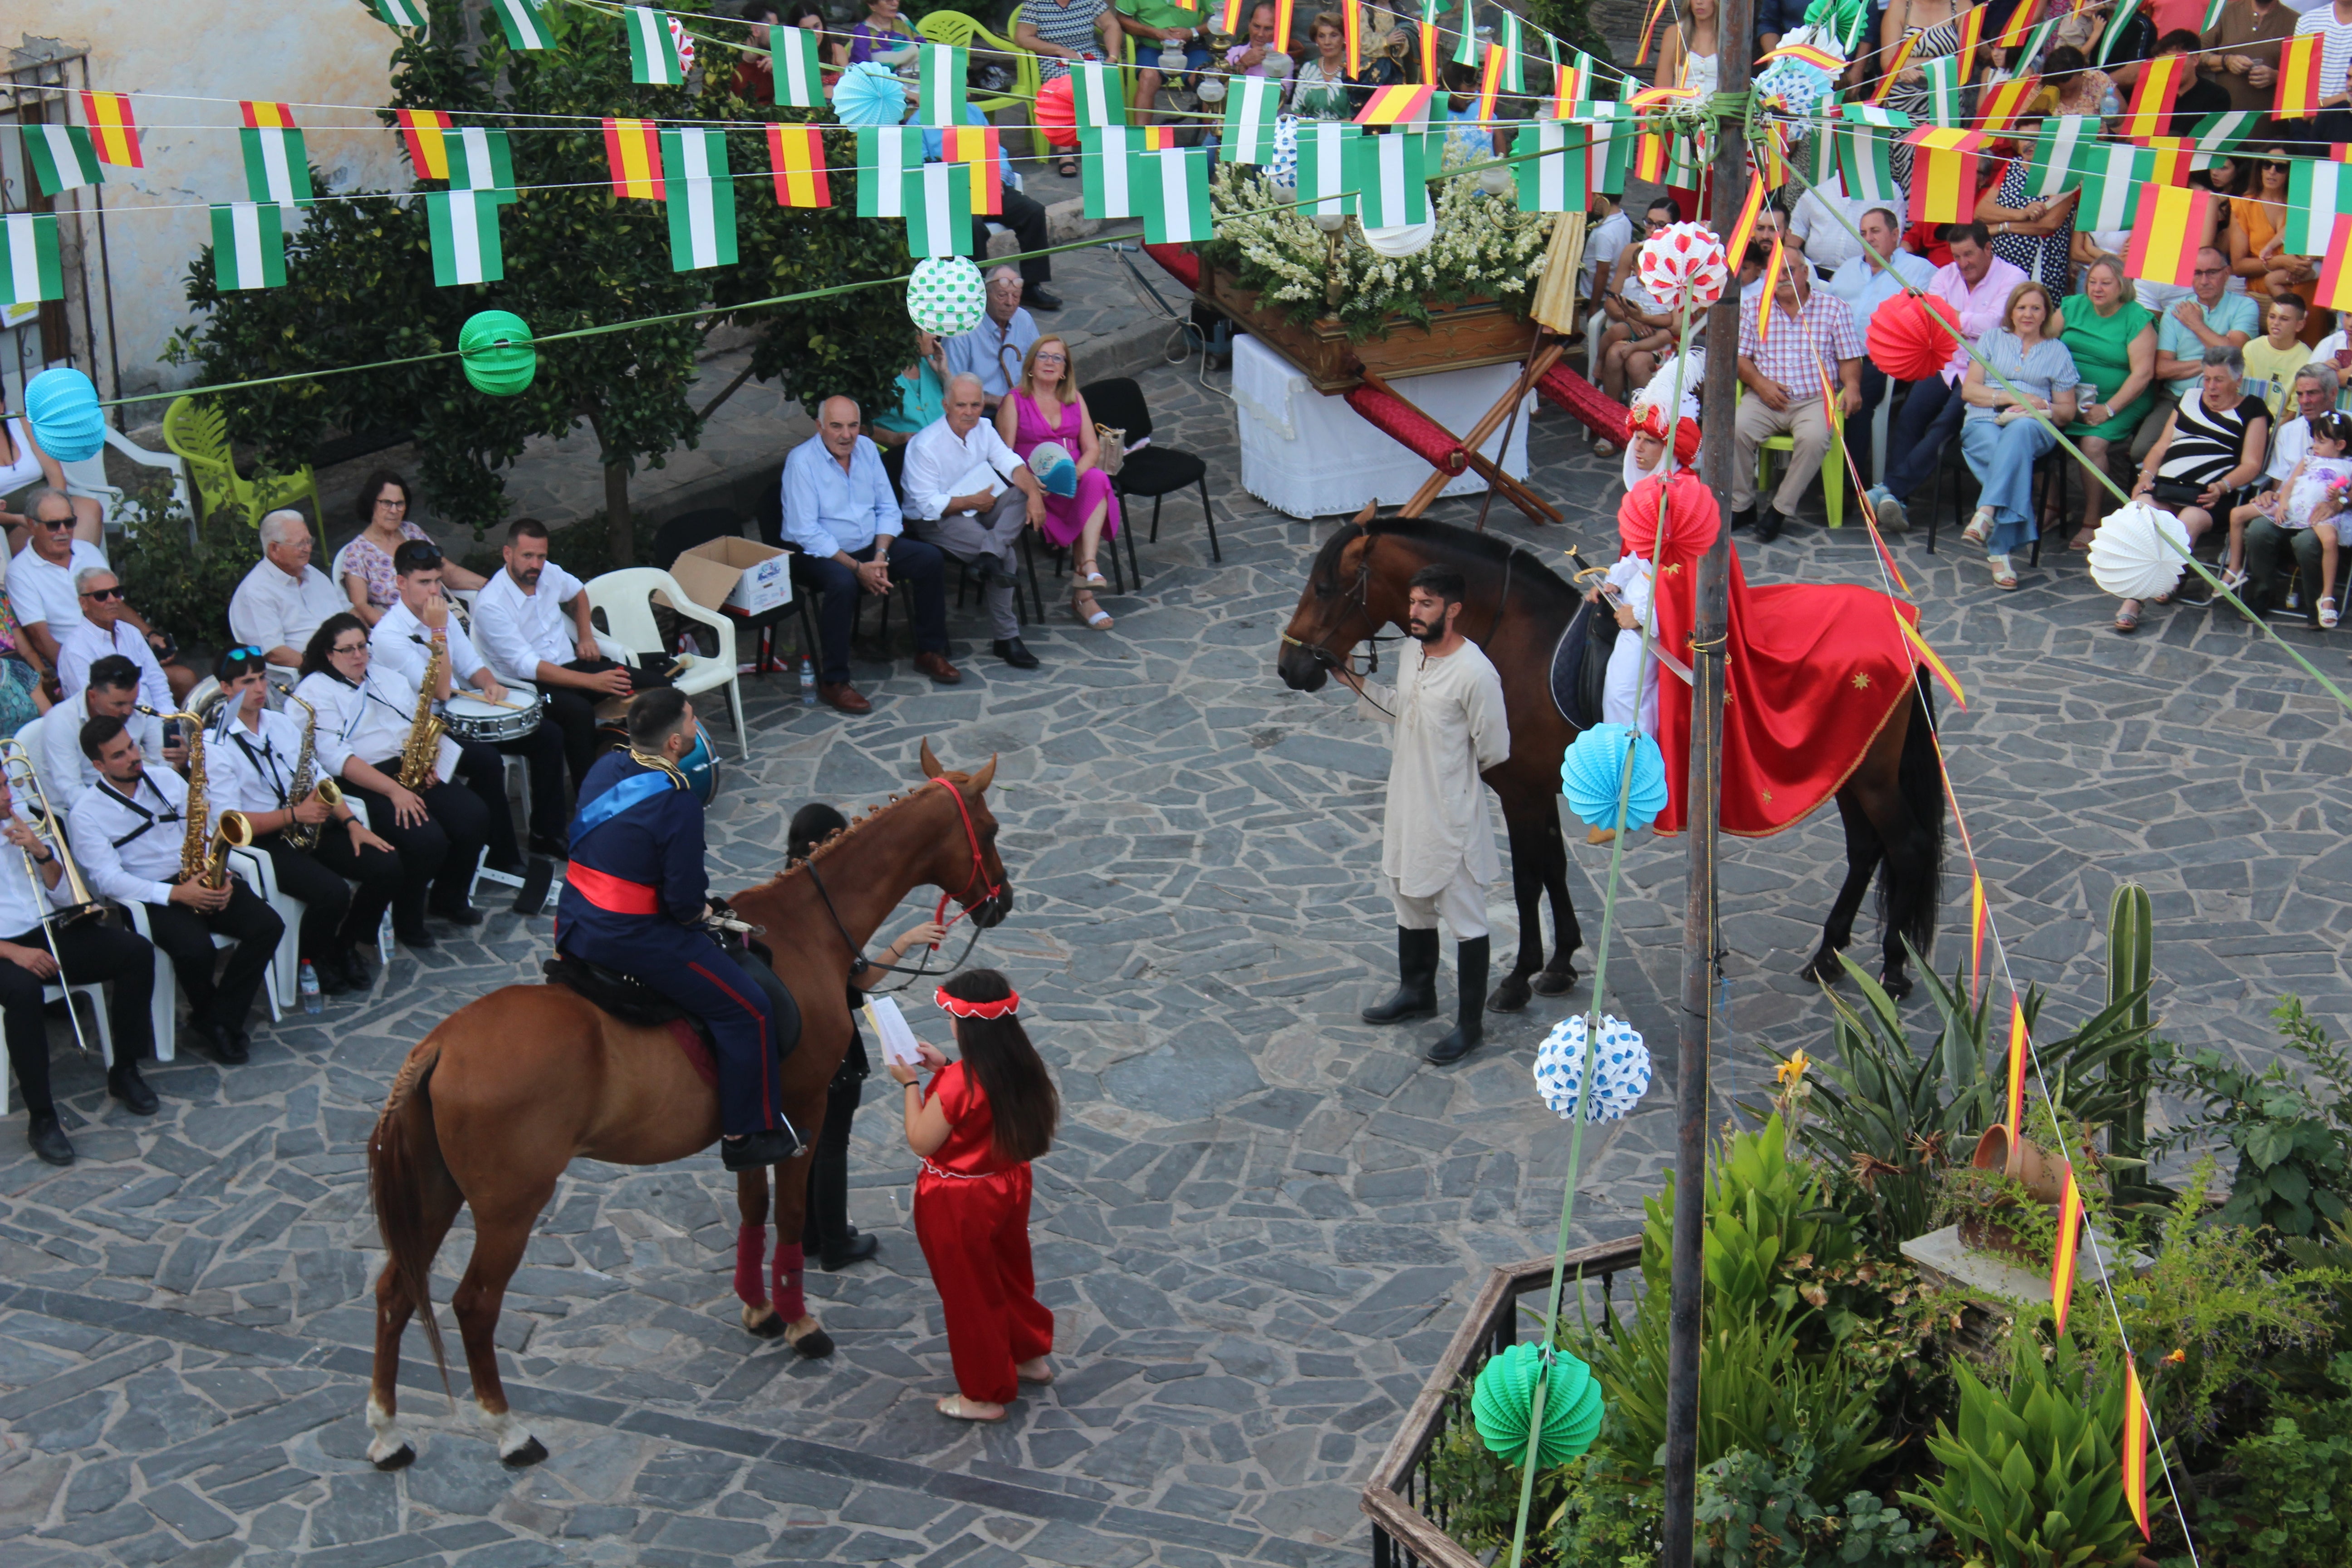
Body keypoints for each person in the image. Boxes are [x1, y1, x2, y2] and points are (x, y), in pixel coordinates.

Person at [556, 687, 800, 1171]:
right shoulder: (677, 800)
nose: (696, 729)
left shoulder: (605, 766)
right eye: (691, 722)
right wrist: (699, 916)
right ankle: (744, 1134)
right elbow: (684, 903)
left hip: (577, 921)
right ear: (672, 743)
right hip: (631, 939)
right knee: (749, 1010)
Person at [1330, 565, 1509, 1065]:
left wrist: (1450, 780)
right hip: (1406, 806)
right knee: (1407, 898)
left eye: (1426, 604)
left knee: (1467, 920)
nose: (1414, 613)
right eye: (1412, 602)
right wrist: (1352, 680)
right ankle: (1417, 993)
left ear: (1453, 610)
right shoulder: (1411, 654)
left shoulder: (1476, 673)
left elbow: (1494, 748)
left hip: (1451, 816)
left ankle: (1469, 1025)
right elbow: (1402, 709)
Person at [883, 967, 1058, 1421]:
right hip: (1008, 1184)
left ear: (963, 1023)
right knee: (1010, 1273)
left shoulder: (961, 1084)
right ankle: (1028, 1357)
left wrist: (910, 1085)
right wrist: (944, 1068)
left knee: (970, 1295)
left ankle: (983, 1395)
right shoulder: (1018, 1065)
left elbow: (923, 1140)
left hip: (959, 1202)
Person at [784, 801, 947, 1270]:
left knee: (809, 1144)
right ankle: (835, 1240)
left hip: (795, 1042)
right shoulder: (826, 913)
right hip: (831, 1044)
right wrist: (907, 942)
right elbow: (858, 980)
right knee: (833, 1144)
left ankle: (813, 1233)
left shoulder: (785, 901)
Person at [69, 715, 284, 1066]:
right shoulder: (86, 814)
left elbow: (201, 829)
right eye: (119, 755)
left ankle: (217, 1019)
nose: (133, 757)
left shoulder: (167, 778)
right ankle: (213, 1018)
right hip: (150, 894)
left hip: (197, 873)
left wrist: (220, 870)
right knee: (196, 950)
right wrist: (175, 895)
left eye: (132, 747)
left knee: (268, 926)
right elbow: (107, 880)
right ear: (98, 765)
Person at [205, 646, 401, 996]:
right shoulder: (215, 745)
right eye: (248, 681)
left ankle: (346, 944)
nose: (261, 688)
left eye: (263, 678)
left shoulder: (280, 724)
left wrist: (353, 824)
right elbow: (229, 821)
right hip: (263, 840)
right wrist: (295, 815)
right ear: (226, 688)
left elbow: (319, 777)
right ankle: (312, 958)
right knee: (332, 893)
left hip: (306, 824)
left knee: (387, 865)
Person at [294, 614, 490, 946]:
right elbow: (335, 758)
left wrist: (430, 761)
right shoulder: (314, 692)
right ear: (329, 654)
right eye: (348, 650)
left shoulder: (387, 677)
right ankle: (407, 919)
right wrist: (395, 791)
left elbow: (418, 722)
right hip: (364, 780)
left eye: (362, 647)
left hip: (410, 764)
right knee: (426, 840)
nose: (359, 655)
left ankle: (449, 897)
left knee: (473, 817)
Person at [0, 762, 160, 1165]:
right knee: (23, 992)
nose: (8, 796)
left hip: (43, 928)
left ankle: (124, 1069)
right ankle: (42, 1117)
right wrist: (15, 953)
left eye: (5, 785)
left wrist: (41, 853)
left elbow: (64, 896)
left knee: (135, 952)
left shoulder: (25, 822)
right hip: (4, 948)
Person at [371, 539, 564, 864]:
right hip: (426, 731)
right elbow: (442, 691)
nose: (434, 591)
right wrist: (438, 632)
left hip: (458, 718)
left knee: (548, 735)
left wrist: (489, 684)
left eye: (437, 581)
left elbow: (470, 665)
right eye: (424, 583)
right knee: (487, 760)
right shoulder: (389, 636)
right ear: (401, 583)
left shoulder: (438, 612)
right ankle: (503, 856)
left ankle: (547, 834)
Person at [782, 397, 962, 715]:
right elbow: (806, 531)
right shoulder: (801, 462)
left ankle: (929, 650)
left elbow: (888, 508)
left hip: (869, 546)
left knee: (928, 559)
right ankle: (834, 680)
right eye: (836, 426)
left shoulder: (865, 449)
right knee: (843, 584)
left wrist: (880, 556)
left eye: (853, 425)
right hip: (819, 552)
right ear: (820, 427)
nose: (846, 435)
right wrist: (856, 568)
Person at [1865, 224, 2029, 531]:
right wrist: (1955, 319)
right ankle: (1897, 501)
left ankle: (1891, 491)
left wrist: (1949, 316)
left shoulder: (2014, 277)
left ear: (1988, 249)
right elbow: (1930, 315)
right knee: (1910, 416)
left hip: (1984, 372)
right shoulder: (1945, 275)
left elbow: (1996, 323)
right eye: (1957, 256)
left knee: (1945, 425)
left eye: (1969, 254)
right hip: (1947, 362)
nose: (1963, 263)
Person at [471, 517, 646, 795]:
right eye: (528, 556)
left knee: (650, 681)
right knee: (578, 712)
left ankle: (648, 773)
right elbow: (528, 666)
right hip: (533, 686)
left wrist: (586, 636)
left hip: (573, 666)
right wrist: (592, 682)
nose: (536, 565)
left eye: (541, 556)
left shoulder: (548, 572)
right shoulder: (491, 604)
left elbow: (578, 592)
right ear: (508, 553)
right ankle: (590, 799)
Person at [2118, 345, 2272, 632]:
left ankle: (2134, 601)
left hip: (2211, 496)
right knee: (2142, 512)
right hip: (2167, 487)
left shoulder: (2253, 410)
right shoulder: (2189, 398)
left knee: (2186, 521)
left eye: (2219, 380)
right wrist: (2146, 477)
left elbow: (2252, 464)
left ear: (2238, 380)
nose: (2211, 387)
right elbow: (2162, 446)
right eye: (2208, 378)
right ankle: (2171, 576)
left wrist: (2223, 486)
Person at [904, 373, 1047, 670]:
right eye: (961, 405)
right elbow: (928, 505)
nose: (970, 412)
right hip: (939, 517)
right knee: (1007, 555)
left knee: (1022, 492)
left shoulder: (984, 428)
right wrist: (972, 503)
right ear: (946, 406)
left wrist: (1034, 493)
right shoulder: (925, 446)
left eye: (976, 404)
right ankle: (1006, 639)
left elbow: (1011, 463)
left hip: (981, 504)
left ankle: (986, 556)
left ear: (983, 404)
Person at [9, 490, 193, 700]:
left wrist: (150, 635)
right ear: (32, 525)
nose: (64, 531)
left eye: (69, 522)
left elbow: (113, 602)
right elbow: (41, 639)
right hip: (81, 661)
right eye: (53, 525)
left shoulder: (87, 551)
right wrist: (70, 671)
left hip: (119, 645)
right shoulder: (20, 572)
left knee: (185, 679)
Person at [994, 336, 1124, 631]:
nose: (1050, 363)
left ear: (1065, 370)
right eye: (1043, 357)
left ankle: (1088, 569)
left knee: (1096, 479)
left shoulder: (1074, 398)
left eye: (1058, 359)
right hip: (1037, 488)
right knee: (1091, 494)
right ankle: (1084, 595)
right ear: (1031, 365)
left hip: (1074, 480)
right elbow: (1003, 456)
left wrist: (1074, 474)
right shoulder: (1015, 401)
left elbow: (1092, 449)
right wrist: (1032, 486)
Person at [1958, 281, 2082, 589]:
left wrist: (2042, 406)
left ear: (2046, 315)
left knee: (2021, 430)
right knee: (2008, 457)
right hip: (1985, 419)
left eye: (2036, 308)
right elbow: (1970, 391)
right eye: (2021, 307)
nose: (2028, 314)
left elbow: (2067, 412)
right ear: (2011, 312)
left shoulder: (2057, 352)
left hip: (2034, 425)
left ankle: (1986, 511)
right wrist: (2013, 397)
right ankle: (1999, 550)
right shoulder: (1990, 340)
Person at [1733, 257, 1866, 544]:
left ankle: (1779, 511)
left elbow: (1850, 359)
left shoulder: (1834, 309)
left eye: (1788, 271)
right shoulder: (1754, 308)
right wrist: (1759, 384)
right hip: (1765, 396)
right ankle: (1742, 506)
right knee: (1736, 428)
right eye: (1774, 272)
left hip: (1814, 398)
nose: (1780, 278)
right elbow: (1741, 358)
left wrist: (1853, 385)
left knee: (1815, 438)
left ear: (1805, 273)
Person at [2053, 255, 2161, 546]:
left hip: (2121, 399)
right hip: (2068, 394)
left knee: (2092, 444)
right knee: (2033, 428)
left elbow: (2143, 374)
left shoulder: (2137, 318)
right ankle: (2053, 505)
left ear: (2122, 285)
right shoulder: (2071, 307)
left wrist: (2108, 409)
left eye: (2106, 283)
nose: (2097, 289)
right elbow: (2043, 345)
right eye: (2092, 282)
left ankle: (2091, 520)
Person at [921, 107, 1059, 312]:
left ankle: (1031, 286)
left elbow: (997, 151)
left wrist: (999, 179)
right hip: (950, 193)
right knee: (973, 225)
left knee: (1033, 211)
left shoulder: (974, 113)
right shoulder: (918, 122)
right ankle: (977, 292)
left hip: (987, 185)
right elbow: (922, 165)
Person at [1827, 206, 1938, 454]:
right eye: (1863, 232)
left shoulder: (1919, 271)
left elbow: (1928, 320)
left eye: (1875, 231)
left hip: (1882, 361)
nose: (1868, 238)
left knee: (1856, 398)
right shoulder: (1847, 269)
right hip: (1834, 354)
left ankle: (1851, 482)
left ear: (1896, 234)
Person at [2134, 247, 2260, 464]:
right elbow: (2162, 369)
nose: (2204, 280)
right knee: (2141, 450)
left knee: (2210, 455)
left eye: (2212, 272)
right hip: (2178, 397)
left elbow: (2233, 353)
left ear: (2227, 273)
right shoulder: (2176, 310)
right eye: (2197, 273)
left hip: (2226, 397)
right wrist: (2210, 363)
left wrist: (2196, 324)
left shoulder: (2245, 305)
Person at [335, 471, 485, 627]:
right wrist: (398, 633)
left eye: (400, 504)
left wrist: (488, 585)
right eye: (386, 503)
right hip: (403, 629)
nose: (394, 511)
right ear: (372, 504)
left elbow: (446, 570)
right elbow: (361, 605)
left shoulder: (412, 532)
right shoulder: (357, 552)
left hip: (442, 616)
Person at [230, 510, 348, 674]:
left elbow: (346, 611)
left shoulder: (313, 574)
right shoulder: (256, 592)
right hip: (312, 674)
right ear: (274, 549)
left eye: (309, 541)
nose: (308, 549)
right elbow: (275, 653)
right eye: (300, 544)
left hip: (350, 656)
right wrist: (324, 667)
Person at [1017, 0, 1124, 174]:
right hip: (1053, 57)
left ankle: (1106, 143)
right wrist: (1059, 50)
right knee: (1066, 85)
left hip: (1088, 53)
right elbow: (1022, 38)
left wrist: (1112, 57)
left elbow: (1111, 25)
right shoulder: (1036, 3)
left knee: (1104, 78)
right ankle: (1065, 149)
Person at [43, 655, 172, 798]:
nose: (128, 711)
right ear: (93, 696)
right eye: (119, 705)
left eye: (132, 702)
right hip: (92, 804)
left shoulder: (138, 707)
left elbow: (164, 762)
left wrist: (181, 764)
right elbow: (71, 791)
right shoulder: (61, 721)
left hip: (137, 793)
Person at [1597, 200, 1682, 411]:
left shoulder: (1680, 260)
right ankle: (1612, 419)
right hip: (1632, 325)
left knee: (1635, 360)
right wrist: (1631, 319)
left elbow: (1676, 325)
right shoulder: (1633, 252)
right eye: (1649, 223)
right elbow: (1612, 301)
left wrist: (1643, 319)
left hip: (1665, 333)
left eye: (1661, 225)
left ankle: (1647, 421)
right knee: (1614, 353)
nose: (1653, 230)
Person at [1878, 0, 1969, 188]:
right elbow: (1888, 60)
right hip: (1905, 107)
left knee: (1941, 177)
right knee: (1907, 173)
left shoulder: (1961, 5)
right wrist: (1941, 63)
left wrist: (1910, 64)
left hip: (1946, 104)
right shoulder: (1901, 5)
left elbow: (1966, 61)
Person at [54, 566, 169, 710]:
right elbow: (96, 707)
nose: (112, 600)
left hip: (154, 720)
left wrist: (168, 717)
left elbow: (157, 681)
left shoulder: (131, 632)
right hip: (112, 728)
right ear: (84, 603)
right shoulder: (75, 650)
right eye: (101, 595)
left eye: (116, 593)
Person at [1975, 145, 2081, 298]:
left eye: (2035, 138)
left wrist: (2003, 227)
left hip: (2043, 269)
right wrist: (2022, 214)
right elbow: (1981, 212)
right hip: (2000, 268)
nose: (2029, 145)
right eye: (2024, 138)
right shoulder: (2012, 165)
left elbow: (2049, 223)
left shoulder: (2063, 172)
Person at [944, 268, 1041, 411]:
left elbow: (1039, 362)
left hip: (1021, 406)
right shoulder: (962, 329)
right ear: (985, 296)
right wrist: (995, 401)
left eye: (1016, 296)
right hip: (981, 411)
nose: (1010, 303)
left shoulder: (1023, 319)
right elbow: (954, 386)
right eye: (1002, 296)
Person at [2229, 149, 2314, 305]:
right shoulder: (2244, 205)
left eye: (2280, 167)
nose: (2272, 171)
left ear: (2290, 172)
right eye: (2267, 165)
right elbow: (2238, 266)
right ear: (2259, 168)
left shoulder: (2304, 205)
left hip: (2305, 294)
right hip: (2258, 299)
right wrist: (2280, 261)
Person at [0, 407, 93, 547]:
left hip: (46, 499)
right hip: (10, 520)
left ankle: (77, 563)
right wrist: (18, 519)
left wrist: (56, 508)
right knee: (42, 531)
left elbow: (55, 472)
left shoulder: (23, 422)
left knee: (90, 508)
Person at [1119, 0, 1212, 122]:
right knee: (1148, 77)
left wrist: (1192, 32)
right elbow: (1122, 19)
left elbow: (1227, 16)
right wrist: (1154, 33)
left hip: (1191, 45)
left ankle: (1213, 139)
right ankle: (1142, 136)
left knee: (1207, 81)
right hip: (1152, 45)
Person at [2201, 0, 2296, 113]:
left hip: (2271, 124)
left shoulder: (2296, 21)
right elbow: (2195, 55)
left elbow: (2306, 76)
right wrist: (2227, 61)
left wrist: (2276, 77)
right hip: (2224, 120)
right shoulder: (2228, 12)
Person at [867, 331, 950, 452]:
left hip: (946, 449)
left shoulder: (933, 362)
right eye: (927, 330)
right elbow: (857, 426)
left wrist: (945, 374)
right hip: (903, 455)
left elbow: (964, 404)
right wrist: (894, 439)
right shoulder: (877, 371)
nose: (935, 335)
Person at [2291, 0, 2352, 151]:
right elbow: (2294, 81)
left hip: (2346, 125)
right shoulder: (2308, 21)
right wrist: (2307, 111)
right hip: (2305, 123)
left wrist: (2322, 106)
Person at [2244, 294, 2313, 420]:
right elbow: (2242, 393)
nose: (2276, 323)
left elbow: (2294, 411)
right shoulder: (2251, 348)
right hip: (2248, 418)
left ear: (2300, 325)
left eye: (2284, 319)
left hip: (2282, 426)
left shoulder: (2307, 358)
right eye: (2272, 317)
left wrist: (2273, 435)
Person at [1289, 12, 1355, 122]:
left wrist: (1326, 134)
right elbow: (1297, 112)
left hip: (1345, 135)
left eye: (1334, 35)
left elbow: (1358, 115)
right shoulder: (1308, 69)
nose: (1327, 42)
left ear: (1344, 37)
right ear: (1316, 40)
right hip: (1309, 135)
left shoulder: (1355, 70)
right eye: (1321, 36)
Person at [833, 0, 919, 68]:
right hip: (892, 86)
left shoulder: (902, 20)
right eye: (888, 0)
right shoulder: (862, 32)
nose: (895, 3)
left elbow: (926, 48)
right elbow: (861, 71)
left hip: (924, 78)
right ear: (872, 5)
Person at [733, 2, 780, 99]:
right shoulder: (727, 65)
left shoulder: (772, 62)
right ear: (756, 31)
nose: (778, 33)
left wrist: (780, 74)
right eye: (774, 28)